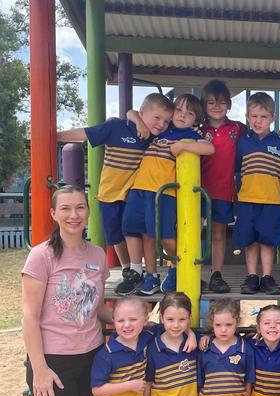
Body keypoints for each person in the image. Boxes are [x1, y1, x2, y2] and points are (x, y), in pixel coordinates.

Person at [22, 185, 114, 396]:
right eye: (66, 208)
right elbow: (29, 317)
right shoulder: (42, 256)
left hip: (90, 359)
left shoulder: (97, 256)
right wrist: (40, 369)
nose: (74, 215)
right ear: (53, 214)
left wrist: (134, 323)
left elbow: (98, 308)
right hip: (53, 364)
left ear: (88, 211)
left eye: (80, 207)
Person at [57, 94, 172, 293]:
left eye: (166, 121)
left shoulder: (157, 138)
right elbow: (86, 134)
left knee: (133, 230)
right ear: (143, 113)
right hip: (109, 192)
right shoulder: (116, 128)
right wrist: (52, 135)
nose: (162, 124)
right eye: (157, 118)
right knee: (114, 235)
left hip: (133, 194)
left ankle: (137, 269)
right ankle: (128, 268)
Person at [122, 94, 214, 295]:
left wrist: (184, 146)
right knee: (134, 229)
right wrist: (139, 121)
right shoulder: (161, 130)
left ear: (196, 120)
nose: (182, 116)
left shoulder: (190, 136)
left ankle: (177, 265)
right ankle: (150, 276)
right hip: (140, 188)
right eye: (179, 110)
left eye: (189, 114)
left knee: (163, 234)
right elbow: (131, 113)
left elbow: (209, 148)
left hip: (163, 193)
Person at [234, 92, 280, 295]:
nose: (258, 121)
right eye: (254, 116)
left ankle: (267, 277)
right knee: (250, 241)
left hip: (271, 201)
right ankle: (252, 276)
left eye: (263, 116)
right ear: (247, 116)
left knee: (267, 241)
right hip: (246, 200)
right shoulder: (243, 143)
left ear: (272, 118)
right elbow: (236, 168)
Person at [199, 80, 247, 294]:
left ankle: (216, 274)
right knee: (191, 231)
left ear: (228, 104)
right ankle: (187, 272)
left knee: (218, 234)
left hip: (223, 190)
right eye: (211, 102)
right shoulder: (198, 130)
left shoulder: (237, 129)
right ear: (204, 105)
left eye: (221, 102)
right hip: (197, 190)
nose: (216, 106)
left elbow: (259, 134)